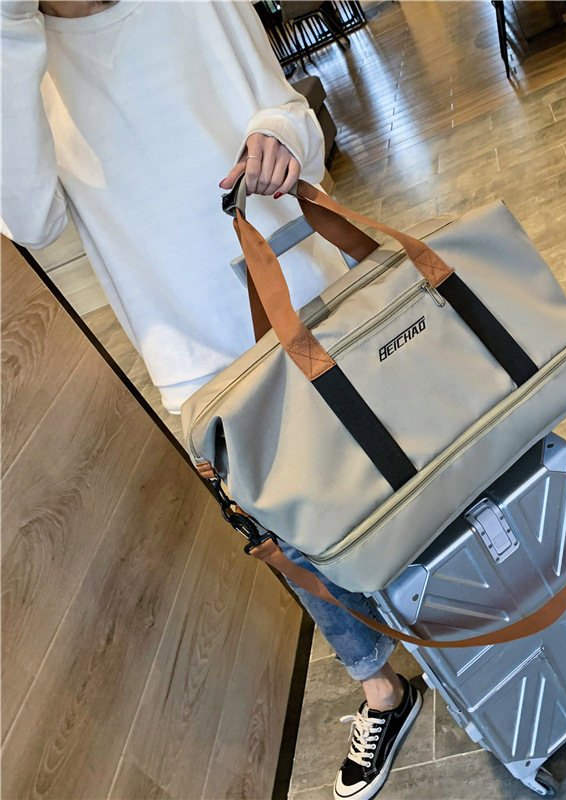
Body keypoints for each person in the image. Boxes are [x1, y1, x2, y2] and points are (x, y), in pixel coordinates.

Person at [0, 2, 420, 798]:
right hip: (193, 356)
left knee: (404, 466)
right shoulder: (20, 58)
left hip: (307, 294)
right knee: (293, 538)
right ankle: (382, 689)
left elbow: (293, 113)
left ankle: (480, 615)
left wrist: (279, 136)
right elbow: (30, 218)